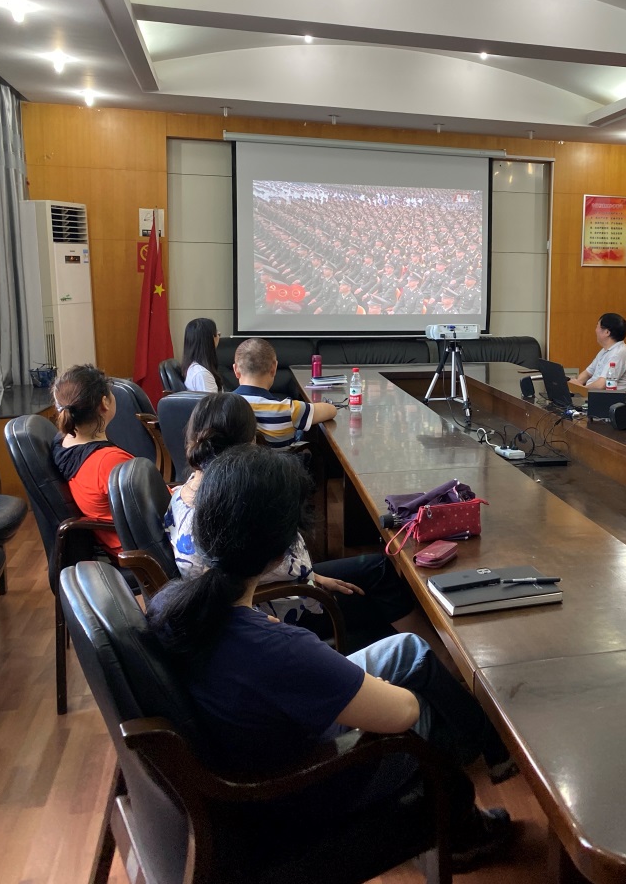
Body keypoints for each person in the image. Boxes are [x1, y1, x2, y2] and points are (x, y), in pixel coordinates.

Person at [147, 445, 516, 868]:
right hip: (302, 786)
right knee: (429, 716)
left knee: (408, 650)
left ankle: (484, 755)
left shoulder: (173, 604)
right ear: (282, 550)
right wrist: (366, 689)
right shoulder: (279, 648)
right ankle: (459, 827)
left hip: (258, 740)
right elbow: (404, 712)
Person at [166, 392, 466, 670]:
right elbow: (285, 566)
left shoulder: (182, 493)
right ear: (248, 442)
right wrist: (310, 576)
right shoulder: (236, 505)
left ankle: (427, 658)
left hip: (253, 597)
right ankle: (438, 664)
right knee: (379, 588)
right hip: (277, 606)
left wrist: (313, 575)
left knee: (376, 570)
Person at [50, 364, 133, 556]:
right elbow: (158, 506)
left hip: (115, 540)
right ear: (105, 403)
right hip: (139, 548)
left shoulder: (62, 442)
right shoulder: (108, 462)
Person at [232, 337, 337, 447]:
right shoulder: (288, 409)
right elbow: (331, 410)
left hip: (232, 458)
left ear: (236, 370)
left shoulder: (221, 407)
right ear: (274, 368)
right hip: (278, 459)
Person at [573, 312, 626, 391]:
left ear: (607, 332)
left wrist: (581, 389)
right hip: (593, 393)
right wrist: (576, 383)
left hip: (607, 397)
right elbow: (588, 372)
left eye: (597, 326)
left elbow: (601, 385)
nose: (595, 330)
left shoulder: (618, 354)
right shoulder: (605, 350)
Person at [180, 317, 222, 392]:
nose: (219, 335)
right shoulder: (202, 374)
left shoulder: (194, 368)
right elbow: (212, 400)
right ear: (211, 339)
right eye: (217, 334)